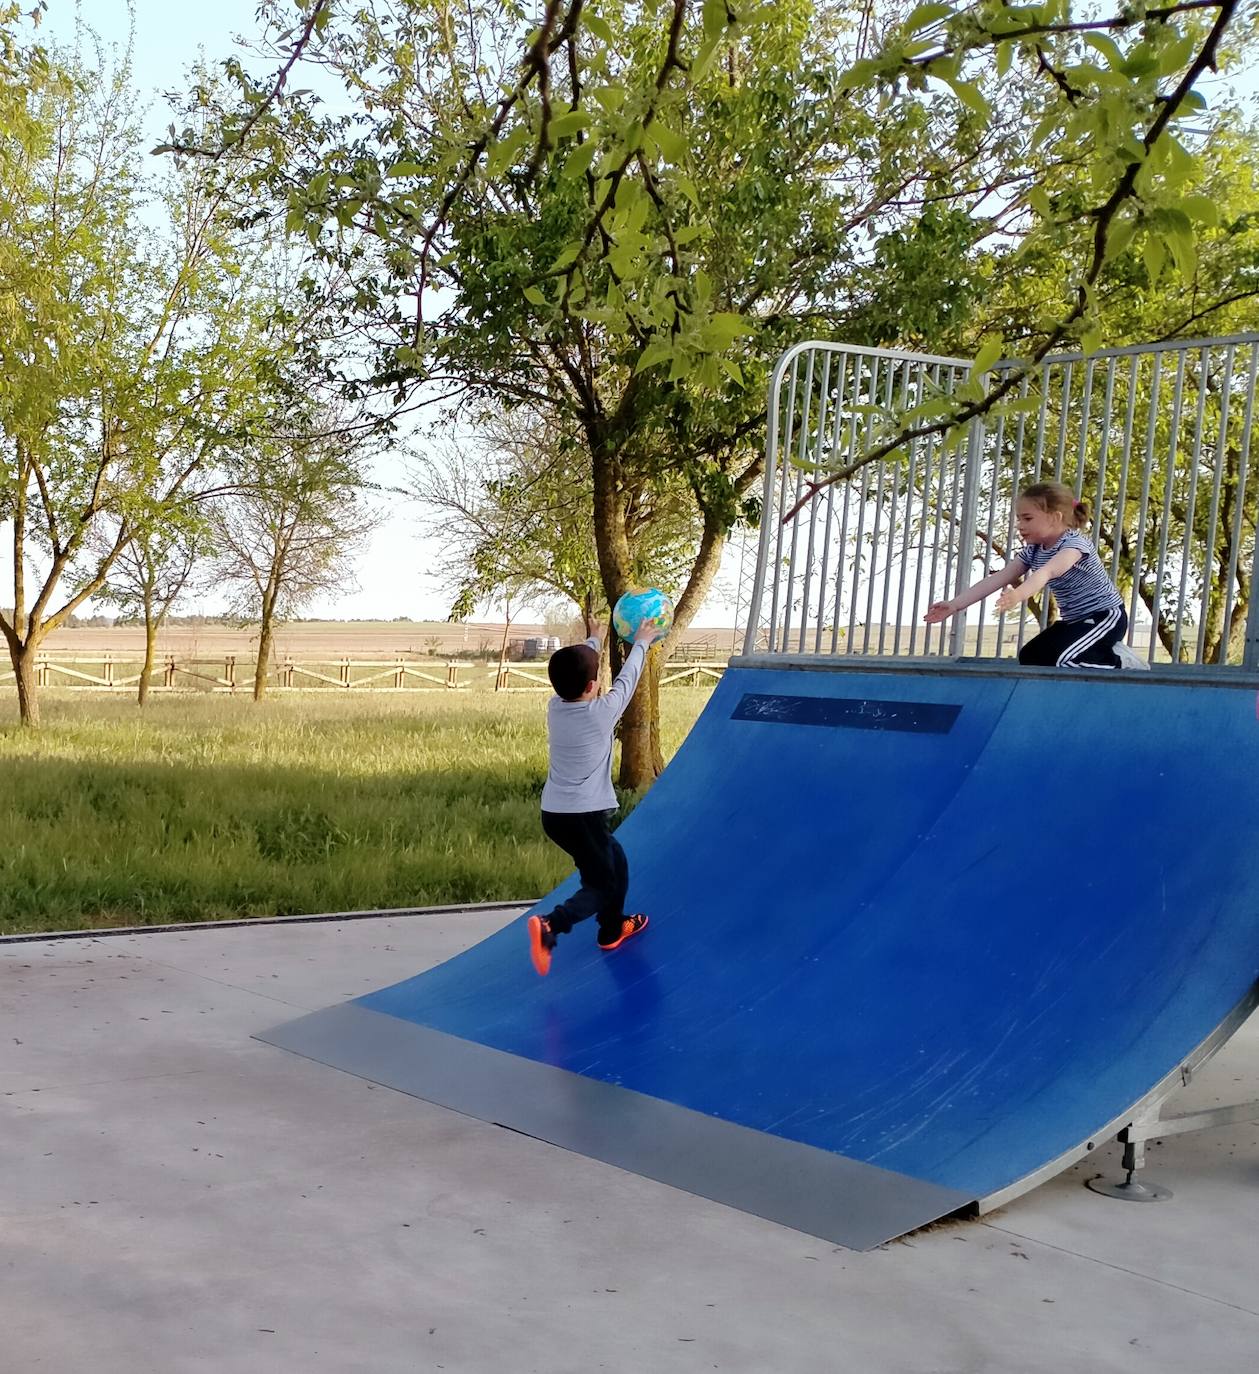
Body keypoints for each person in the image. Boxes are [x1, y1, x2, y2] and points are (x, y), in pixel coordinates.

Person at [527, 618, 663, 977]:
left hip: (555, 814)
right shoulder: (600, 714)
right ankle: (552, 925)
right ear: (592, 686)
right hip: (582, 816)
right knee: (601, 884)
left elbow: (586, 672)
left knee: (614, 859)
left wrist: (596, 638)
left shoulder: (556, 707)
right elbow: (628, 680)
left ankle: (613, 927)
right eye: (597, 679)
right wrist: (642, 643)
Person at [925, 481, 1128, 668]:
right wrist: (954, 605)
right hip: (1073, 622)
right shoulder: (1034, 550)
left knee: (1062, 661)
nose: (1020, 525)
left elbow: (1047, 571)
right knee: (1031, 657)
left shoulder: (1074, 544)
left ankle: (1120, 665)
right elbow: (998, 578)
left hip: (1105, 617)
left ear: (1055, 517)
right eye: (1019, 519)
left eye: (1028, 518)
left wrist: (1018, 595)